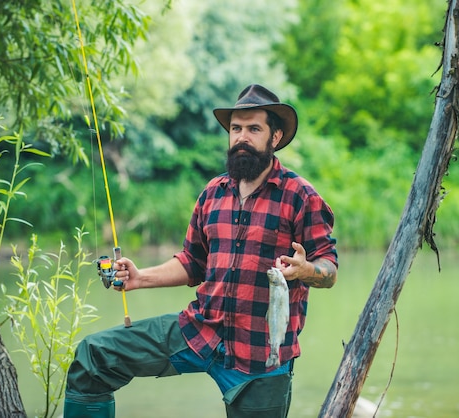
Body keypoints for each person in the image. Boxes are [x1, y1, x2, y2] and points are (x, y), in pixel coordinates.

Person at [64, 84, 338, 417]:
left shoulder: (300, 195)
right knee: (94, 357)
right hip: (199, 331)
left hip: (261, 357)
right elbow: (193, 263)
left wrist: (307, 270)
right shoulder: (213, 193)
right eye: (236, 129)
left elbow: (329, 269)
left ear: (275, 138)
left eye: (254, 129)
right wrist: (140, 278)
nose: (242, 137)